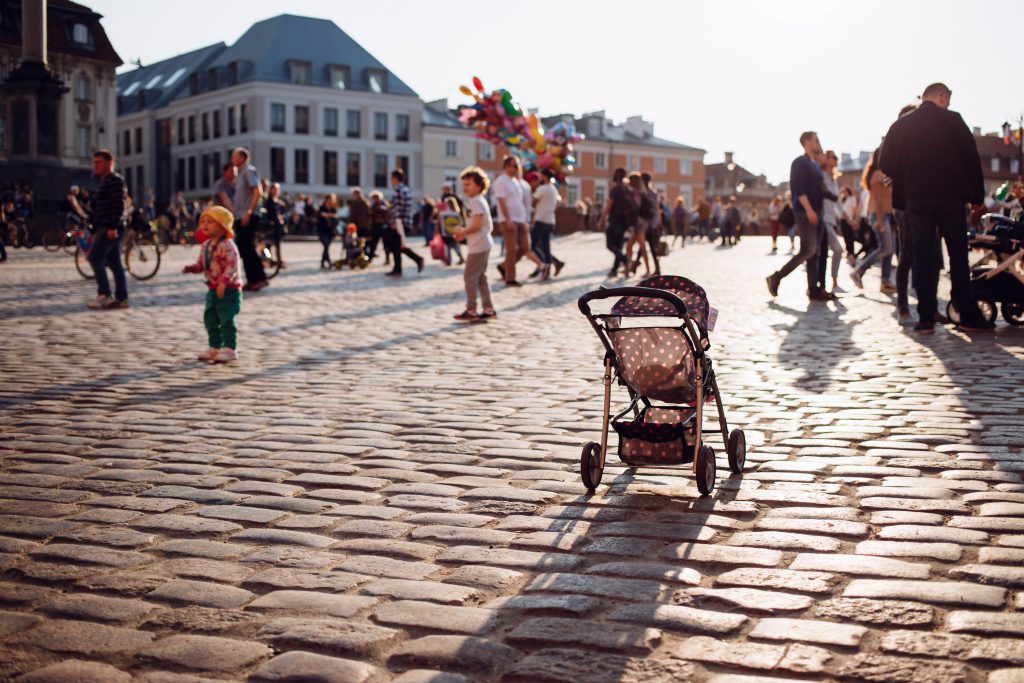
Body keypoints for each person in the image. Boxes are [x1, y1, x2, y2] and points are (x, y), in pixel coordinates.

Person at [879, 82, 990, 333]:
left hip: (917, 199)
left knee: (923, 256)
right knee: (957, 256)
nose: (948, 104)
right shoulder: (953, 120)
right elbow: (971, 159)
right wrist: (977, 197)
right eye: (947, 100)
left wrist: (906, 177)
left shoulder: (903, 124)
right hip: (951, 198)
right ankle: (966, 312)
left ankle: (926, 317)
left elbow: (885, 161)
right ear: (941, 96)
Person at [766, 132, 828, 302]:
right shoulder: (799, 163)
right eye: (816, 140)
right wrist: (809, 210)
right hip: (805, 212)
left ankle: (813, 290)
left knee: (814, 253)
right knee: (808, 250)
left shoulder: (814, 164)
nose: (818, 143)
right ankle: (776, 277)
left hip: (818, 213)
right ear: (807, 141)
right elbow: (798, 190)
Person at [182, 206, 243, 363]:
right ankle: (214, 347)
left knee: (226, 319)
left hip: (229, 290)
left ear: (223, 226)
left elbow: (232, 266)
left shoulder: (228, 246)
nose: (205, 225)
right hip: (212, 289)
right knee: (210, 318)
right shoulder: (206, 245)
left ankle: (230, 348)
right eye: (203, 222)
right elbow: (202, 264)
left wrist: (224, 282)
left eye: (210, 222)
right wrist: (193, 268)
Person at [86, 149, 129, 310]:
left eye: (99, 162)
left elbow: (119, 205)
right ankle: (121, 299)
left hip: (110, 228)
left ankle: (104, 294)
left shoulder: (115, 180)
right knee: (114, 263)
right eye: (94, 162)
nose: (95, 165)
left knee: (94, 257)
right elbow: (98, 209)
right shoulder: (103, 181)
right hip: (103, 227)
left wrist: (112, 227)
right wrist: (93, 232)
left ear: (109, 163)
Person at [452, 166, 496, 322]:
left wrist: (462, 231)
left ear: (479, 185)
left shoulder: (476, 201)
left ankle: (471, 309)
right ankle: (488, 308)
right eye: (463, 185)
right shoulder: (477, 201)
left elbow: (477, 225)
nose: (465, 188)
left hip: (479, 246)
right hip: (481, 244)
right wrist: (463, 233)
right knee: (481, 277)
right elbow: (476, 224)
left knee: (469, 276)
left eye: (468, 184)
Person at [850, 149, 896, 293]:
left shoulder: (885, 174)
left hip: (887, 214)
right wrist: (880, 219)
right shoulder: (877, 175)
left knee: (890, 249)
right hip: (879, 215)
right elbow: (876, 198)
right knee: (886, 248)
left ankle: (885, 280)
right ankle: (859, 270)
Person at [493, 155, 540, 286]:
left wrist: (526, 219)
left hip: (520, 219)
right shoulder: (501, 181)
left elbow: (521, 202)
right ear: (506, 166)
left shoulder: (517, 182)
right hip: (509, 219)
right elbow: (501, 201)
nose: (515, 168)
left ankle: (504, 266)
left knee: (525, 247)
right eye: (513, 165)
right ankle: (510, 278)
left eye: (517, 165)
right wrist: (507, 219)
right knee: (511, 249)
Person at [230, 147, 268, 292]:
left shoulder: (249, 171)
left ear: (243, 158)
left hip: (248, 215)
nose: (232, 159)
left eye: (234, 156)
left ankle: (260, 278)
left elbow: (257, 191)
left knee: (248, 246)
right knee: (243, 246)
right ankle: (252, 279)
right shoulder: (240, 174)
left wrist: (249, 212)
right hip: (241, 215)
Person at [597, 167, 636, 277]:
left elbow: (609, 206)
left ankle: (626, 260)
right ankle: (614, 270)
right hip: (624, 222)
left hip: (615, 220)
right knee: (618, 247)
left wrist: (601, 220)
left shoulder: (615, 189)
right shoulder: (627, 189)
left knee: (610, 245)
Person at [385, 168, 424, 277]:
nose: (390, 181)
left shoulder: (399, 190)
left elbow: (399, 208)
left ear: (395, 178)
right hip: (404, 221)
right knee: (397, 245)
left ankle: (402, 266)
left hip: (399, 222)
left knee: (394, 245)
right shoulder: (405, 189)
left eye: (391, 178)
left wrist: (395, 223)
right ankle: (403, 265)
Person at [528, 169, 565, 280]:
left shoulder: (542, 188)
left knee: (533, 246)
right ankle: (547, 271)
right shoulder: (554, 189)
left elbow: (532, 202)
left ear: (544, 176)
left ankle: (543, 265)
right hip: (550, 220)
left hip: (541, 220)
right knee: (546, 247)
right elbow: (557, 203)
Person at [817, 151, 845, 294]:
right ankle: (829, 283)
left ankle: (830, 284)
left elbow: (836, 201)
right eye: (833, 157)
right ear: (826, 159)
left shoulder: (833, 179)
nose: (836, 159)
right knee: (837, 249)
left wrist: (845, 215)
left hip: (831, 219)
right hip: (823, 218)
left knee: (824, 253)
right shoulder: (821, 175)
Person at [437, 196, 465, 266]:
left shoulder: (442, 214)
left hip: (445, 233)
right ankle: (460, 257)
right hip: (455, 233)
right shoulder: (457, 214)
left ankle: (449, 261)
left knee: (448, 247)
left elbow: (440, 222)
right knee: (455, 246)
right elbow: (461, 223)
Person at [264, 182, 287, 269]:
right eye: (274, 189)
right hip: (271, 226)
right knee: (268, 245)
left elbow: (282, 213)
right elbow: (271, 214)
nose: (275, 191)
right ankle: (270, 259)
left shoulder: (278, 201)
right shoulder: (269, 201)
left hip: (278, 226)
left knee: (277, 244)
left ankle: (276, 260)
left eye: (277, 189)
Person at [317, 193, 340, 268]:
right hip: (322, 230)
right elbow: (319, 216)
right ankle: (328, 261)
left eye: (332, 200)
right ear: (326, 200)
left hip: (330, 231)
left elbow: (337, 220)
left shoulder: (333, 209)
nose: (331, 201)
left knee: (327, 247)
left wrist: (329, 215)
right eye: (329, 199)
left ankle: (323, 262)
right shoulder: (321, 208)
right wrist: (329, 215)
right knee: (326, 245)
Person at [368, 191, 391, 264]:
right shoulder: (373, 205)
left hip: (384, 226)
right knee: (373, 244)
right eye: (374, 198)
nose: (375, 199)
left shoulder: (384, 204)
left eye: (376, 197)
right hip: (376, 227)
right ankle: (370, 259)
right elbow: (371, 216)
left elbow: (388, 213)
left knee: (386, 244)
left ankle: (387, 259)